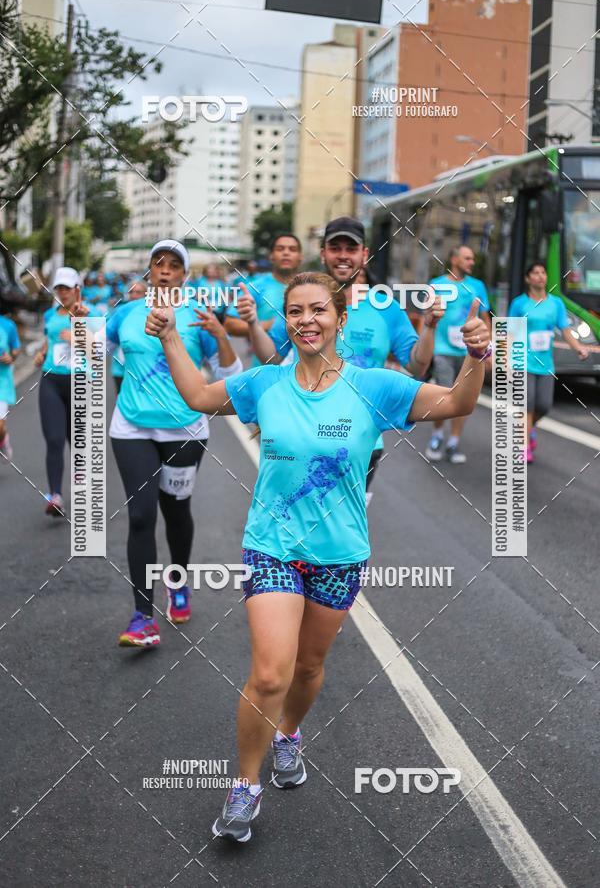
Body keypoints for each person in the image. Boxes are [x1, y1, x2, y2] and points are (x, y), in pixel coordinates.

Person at [145, 270, 491, 843]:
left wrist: (478, 352)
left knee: (308, 668)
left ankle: (288, 736)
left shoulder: (375, 387)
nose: (307, 320)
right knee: (270, 671)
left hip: (341, 554)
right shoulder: (265, 384)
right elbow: (198, 397)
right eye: (296, 312)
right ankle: (245, 787)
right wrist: (170, 339)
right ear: (286, 321)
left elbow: (458, 402)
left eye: (318, 311)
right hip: (272, 549)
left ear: (340, 319)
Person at [240, 217, 443, 499]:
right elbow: (272, 357)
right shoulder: (302, 298)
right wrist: (251, 323)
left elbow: (416, 365)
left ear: (364, 254)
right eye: (335, 248)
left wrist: (430, 327)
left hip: (360, 444)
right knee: (292, 519)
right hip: (298, 435)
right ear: (323, 253)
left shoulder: (385, 307)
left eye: (351, 248)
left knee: (342, 529)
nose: (343, 255)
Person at [106, 239, 242, 648]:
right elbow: (95, 355)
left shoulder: (199, 316)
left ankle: (178, 581)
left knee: (176, 510)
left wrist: (219, 333)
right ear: (149, 271)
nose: (164, 269)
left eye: (173, 264)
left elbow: (230, 371)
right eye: (157, 262)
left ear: (185, 274)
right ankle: (142, 617)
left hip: (185, 429)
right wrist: (81, 327)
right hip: (132, 427)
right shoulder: (126, 314)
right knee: (142, 516)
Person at [509, 261, 589, 463]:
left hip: (545, 364)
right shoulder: (519, 304)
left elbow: (565, 330)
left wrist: (578, 347)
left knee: (543, 406)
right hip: (523, 361)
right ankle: (523, 446)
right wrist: (507, 359)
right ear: (528, 279)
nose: (540, 276)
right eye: (535, 273)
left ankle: (529, 429)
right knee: (526, 405)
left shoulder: (556, 304)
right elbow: (510, 332)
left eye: (543, 272)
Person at [34, 267, 92, 517]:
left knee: (77, 441)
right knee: (54, 440)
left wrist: (78, 336)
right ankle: (55, 495)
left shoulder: (92, 313)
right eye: (58, 288)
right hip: (51, 380)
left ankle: (83, 489)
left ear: (77, 289)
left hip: (80, 382)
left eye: (67, 288)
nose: (62, 293)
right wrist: (41, 353)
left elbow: (98, 351)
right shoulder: (49, 315)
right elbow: (48, 341)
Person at [425, 245, 492, 464]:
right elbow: (427, 320)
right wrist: (422, 349)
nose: (472, 262)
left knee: (464, 398)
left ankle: (453, 442)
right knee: (444, 395)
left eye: (473, 258)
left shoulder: (478, 286)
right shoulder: (436, 285)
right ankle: (437, 436)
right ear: (454, 259)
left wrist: (488, 347)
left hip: (469, 351)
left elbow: (486, 319)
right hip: (442, 349)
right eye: (467, 258)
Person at [224, 234, 303, 363]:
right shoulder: (255, 287)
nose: (286, 253)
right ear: (271, 256)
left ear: (300, 257)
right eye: (280, 249)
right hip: (264, 371)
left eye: (292, 249)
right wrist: (265, 326)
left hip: (302, 373)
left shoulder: (311, 289)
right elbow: (230, 324)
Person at [110, 280, 147, 394]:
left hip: (142, 370)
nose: (134, 295)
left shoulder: (152, 314)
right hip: (120, 370)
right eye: (132, 292)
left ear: (146, 295)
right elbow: (107, 337)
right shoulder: (119, 312)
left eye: (138, 292)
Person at [0, 312, 21, 463]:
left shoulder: (7, 325)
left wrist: (11, 357)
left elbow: (16, 348)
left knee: (0, 425)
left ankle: (3, 439)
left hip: (2, 381)